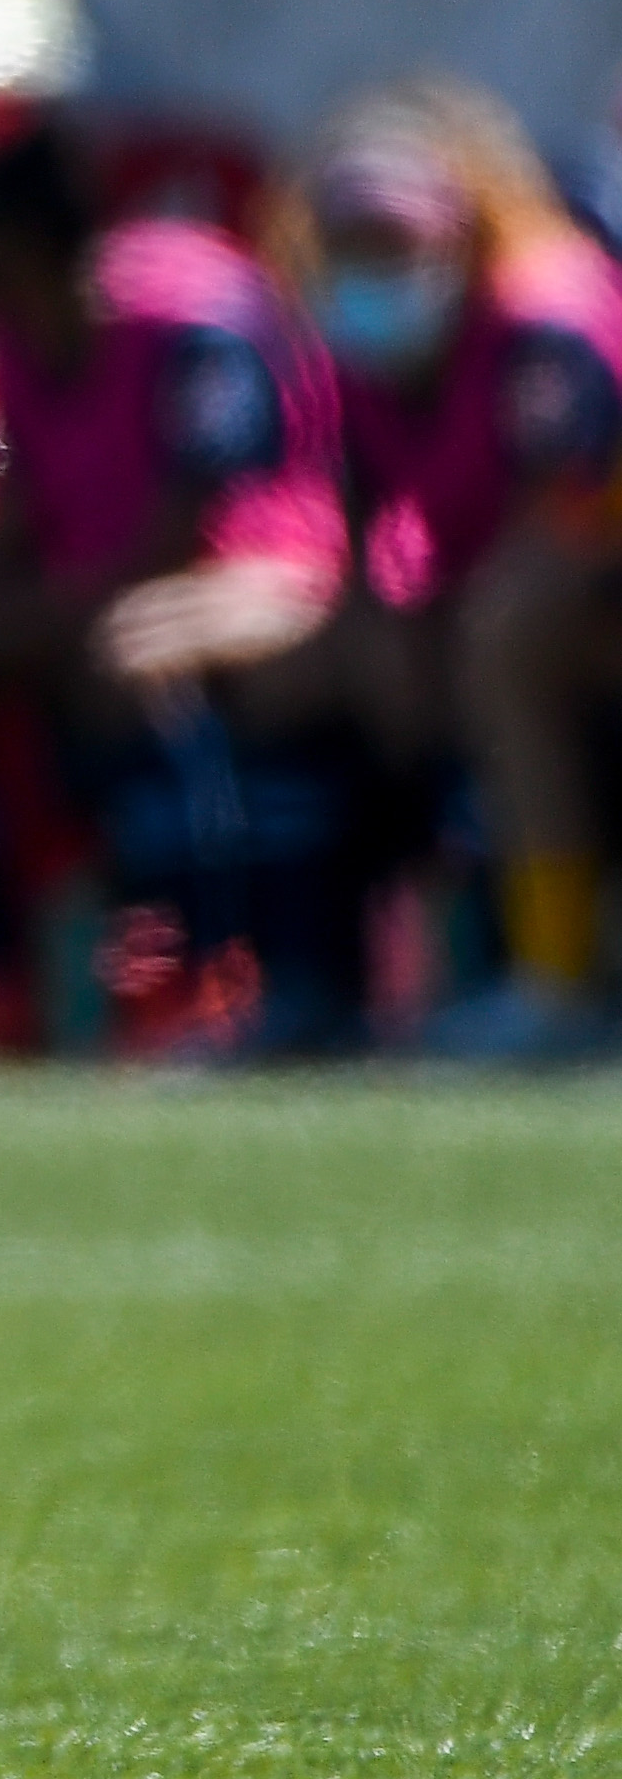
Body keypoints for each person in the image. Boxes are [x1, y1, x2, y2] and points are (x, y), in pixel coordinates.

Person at [0, 123, 357, 1050]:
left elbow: (181, 541)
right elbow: (18, 523)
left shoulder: (191, 327)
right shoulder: (17, 342)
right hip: (101, 594)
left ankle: (211, 970)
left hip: (267, 576)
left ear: (15, 235)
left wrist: (30, 620)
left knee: (137, 644)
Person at [271, 82, 622, 1054]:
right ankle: (315, 979)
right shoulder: (352, 357)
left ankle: (554, 980)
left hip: (578, 590)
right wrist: (380, 628)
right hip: (500, 602)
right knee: (311, 667)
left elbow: (559, 522)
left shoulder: (545, 318)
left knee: (505, 637)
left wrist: (442, 627)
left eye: (392, 239)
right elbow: (357, 538)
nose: (369, 268)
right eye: (348, 242)